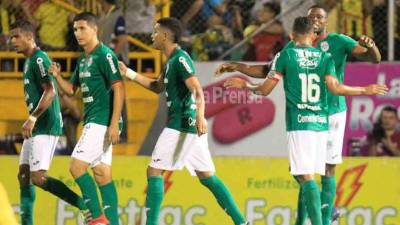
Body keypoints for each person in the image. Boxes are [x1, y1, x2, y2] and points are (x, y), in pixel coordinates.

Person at [215, 5, 381, 225]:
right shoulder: (318, 57)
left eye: (320, 17)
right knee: (306, 173)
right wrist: (239, 66)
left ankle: (325, 216)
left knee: (317, 170)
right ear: (308, 27)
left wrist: (372, 47)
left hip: (326, 116)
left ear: (324, 22)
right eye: (311, 16)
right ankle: (308, 219)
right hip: (319, 117)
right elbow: (269, 68)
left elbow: (373, 58)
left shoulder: (335, 42)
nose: (315, 20)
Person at [118, 17, 248, 225]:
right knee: (207, 176)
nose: (152, 35)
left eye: (155, 31)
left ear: (166, 35)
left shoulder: (180, 59)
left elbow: (197, 89)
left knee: (154, 171)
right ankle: (242, 222)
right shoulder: (171, 61)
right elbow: (157, 86)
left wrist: (199, 116)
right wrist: (129, 73)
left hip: (182, 124)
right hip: (188, 126)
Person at [10, 20, 89, 225]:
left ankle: (83, 205)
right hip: (37, 126)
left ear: (30, 37)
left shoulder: (38, 59)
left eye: (16, 36)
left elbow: (51, 91)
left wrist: (33, 117)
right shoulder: (29, 61)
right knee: (24, 175)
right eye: (11, 37)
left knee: (38, 178)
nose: (12, 41)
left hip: (45, 125)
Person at [49, 12, 125, 225]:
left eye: (82, 28)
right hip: (93, 121)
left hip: (102, 122)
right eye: (75, 29)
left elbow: (119, 88)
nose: (78, 33)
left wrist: (113, 124)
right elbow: (71, 90)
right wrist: (57, 77)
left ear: (95, 29)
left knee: (76, 167)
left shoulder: (105, 55)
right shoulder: (83, 59)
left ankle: (98, 220)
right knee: (101, 174)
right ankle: (112, 222)